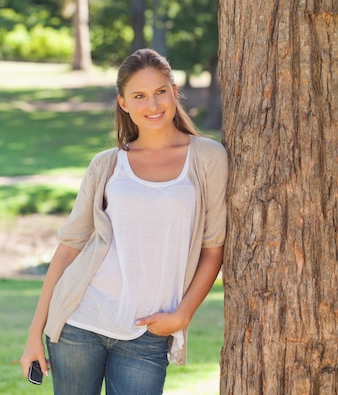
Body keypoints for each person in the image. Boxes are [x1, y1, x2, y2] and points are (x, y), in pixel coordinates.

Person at [19, 48, 228, 395]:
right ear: (124, 103)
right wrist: (33, 335)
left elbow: (212, 248)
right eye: (140, 96)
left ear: (175, 92)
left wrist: (183, 314)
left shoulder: (207, 158)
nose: (153, 105)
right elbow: (69, 249)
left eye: (161, 91)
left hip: (147, 331)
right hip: (79, 321)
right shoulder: (107, 165)